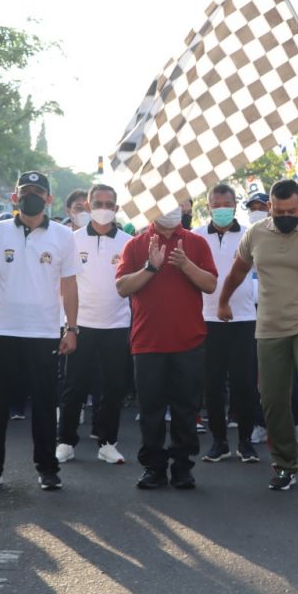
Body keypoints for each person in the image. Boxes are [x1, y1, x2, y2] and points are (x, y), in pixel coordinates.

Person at [217, 179, 298, 491]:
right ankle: (285, 464)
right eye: (279, 211)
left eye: (291, 210)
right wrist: (223, 301)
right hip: (270, 326)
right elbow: (237, 270)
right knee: (273, 397)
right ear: (269, 208)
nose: (285, 215)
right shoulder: (256, 233)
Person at [0, 171, 81, 492]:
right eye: (25, 191)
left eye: (38, 191)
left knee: (45, 403)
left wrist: (71, 328)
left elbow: (70, 285)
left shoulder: (63, 237)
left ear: (49, 199)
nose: (31, 196)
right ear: (15, 197)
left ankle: (47, 468)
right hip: (3, 330)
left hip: (45, 332)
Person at [116, 202, 217, 490]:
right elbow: (123, 287)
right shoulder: (136, 244)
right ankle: (154, 467)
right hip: (148, 343)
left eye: (178, 202)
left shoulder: (196, 242)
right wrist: (151, 267)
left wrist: (185, 264)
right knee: (151, 410)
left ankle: (183, 467)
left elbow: (210, 284)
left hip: (189, 341)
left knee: (186, 409)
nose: (172, 209)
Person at [56, 184, 131, 466]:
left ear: (116, 208)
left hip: (117, 324)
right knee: (74, 387)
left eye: (108, 203)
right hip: (80, 324)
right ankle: (65, 441)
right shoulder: (70, 240)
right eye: (97, 203)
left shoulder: (128, 241)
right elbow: (64, 284)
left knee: (113, 388)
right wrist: (67, 325)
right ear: (88, 207)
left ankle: (108, 443)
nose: (103, 208)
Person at [194, 184, 259, 465]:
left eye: (227, 204)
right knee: (213, 383)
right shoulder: (196, 237)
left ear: (235, 205)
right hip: (207, 319)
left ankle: (245, 441)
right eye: (216, 204)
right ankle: (219, 441)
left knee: (245, 383)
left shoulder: (251, 235)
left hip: (245, 319)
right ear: (208, 206)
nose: (221, 209)